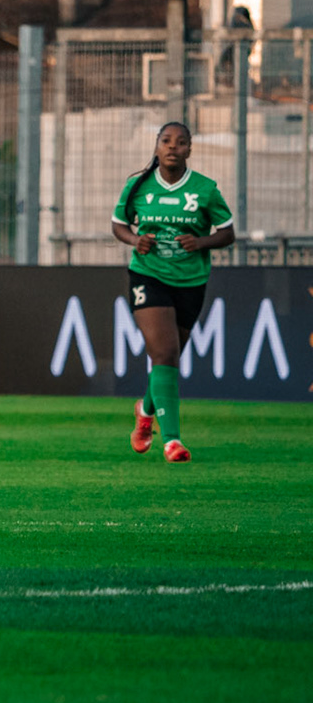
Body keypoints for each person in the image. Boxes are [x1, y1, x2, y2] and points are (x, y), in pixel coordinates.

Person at [109, 120, 234, 463]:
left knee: (169, 358)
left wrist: (202, 241)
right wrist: (136, 240)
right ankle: (173, 442)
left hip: (191, 280)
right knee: (164, 353)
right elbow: (119, 224)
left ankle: (145, 413)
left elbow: (227, 232)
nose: (172, 147)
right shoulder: (138, 186)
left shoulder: (205, 189)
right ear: (157, 146)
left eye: (180, 142)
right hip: (148, 275)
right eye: (166, 140)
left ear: (189, 150)